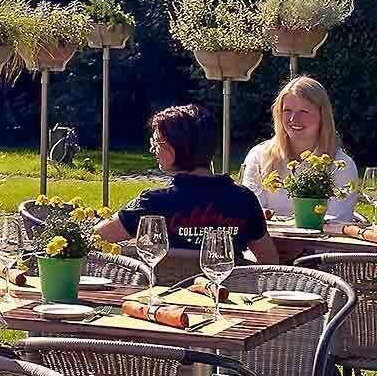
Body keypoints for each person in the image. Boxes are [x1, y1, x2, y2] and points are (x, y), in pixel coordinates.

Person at [101, 102, 276, 260]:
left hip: (162, 293)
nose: (152, 149)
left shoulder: (153, 204)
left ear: (176, 147)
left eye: (157, 142)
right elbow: (269, 262)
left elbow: (93, 238)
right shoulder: (244, 200)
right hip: (225, 293)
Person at [239, 76, 357, 225]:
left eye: (304, 111)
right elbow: (250, 213)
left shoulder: (341, 165)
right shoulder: (259, 156)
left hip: (321, 246)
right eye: (287, 110)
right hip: (267, 244)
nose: (294, 118)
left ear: (322, 115)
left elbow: (336, 221)